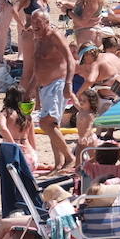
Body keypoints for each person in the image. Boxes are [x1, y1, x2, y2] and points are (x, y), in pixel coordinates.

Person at [21, 12, 76, 171]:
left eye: (38, 22)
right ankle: (59, 164)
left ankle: (69, 157)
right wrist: (30, 90)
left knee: (46, 123)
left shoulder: (54, 36)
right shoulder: (38, 38)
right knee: (52, 125)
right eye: (32, 21)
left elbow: (70, 60)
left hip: (58, 84)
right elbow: (38, 68)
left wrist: (68, 83)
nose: (34, 25)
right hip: (45, 86)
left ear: (46, 22)